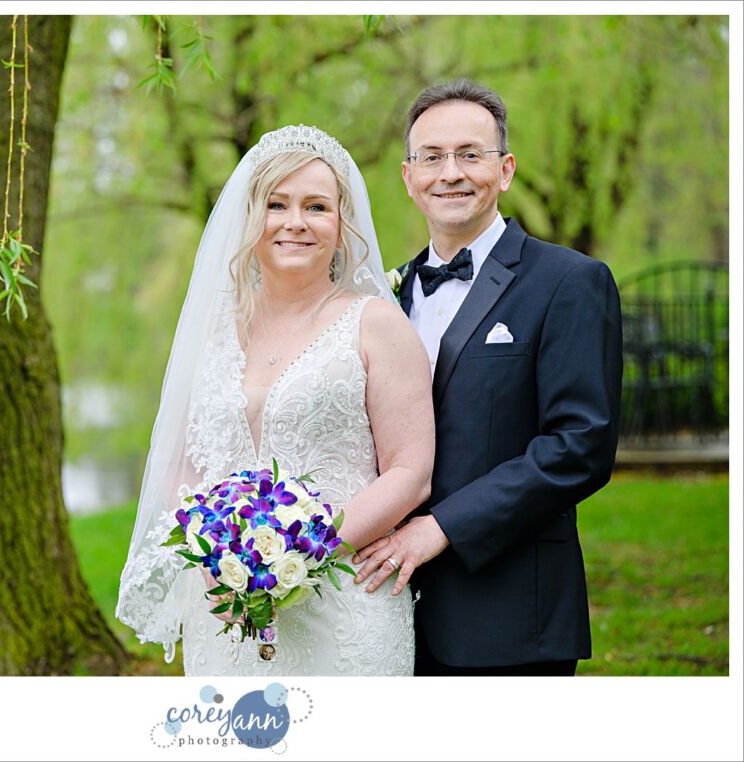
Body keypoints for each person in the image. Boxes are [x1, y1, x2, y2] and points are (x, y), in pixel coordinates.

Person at [116, 125, 435, 676]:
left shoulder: (377, 325)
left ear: (341, 225)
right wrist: (213, 555)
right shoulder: (214, 330)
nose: (295, 222)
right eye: (277, 204)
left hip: (346, 604)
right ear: (250, 218)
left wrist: (307, 552)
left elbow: (410, 471)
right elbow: (186, 464)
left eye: (316, 206)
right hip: (226, 610)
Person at [354, 79, 623, 676]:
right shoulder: (379, 297)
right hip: (382, 614)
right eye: (432, 157)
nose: (450, 172)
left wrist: (444, 528)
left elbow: (579, 446)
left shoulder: (570, 281)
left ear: (504, 171)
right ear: (408, 176)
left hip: (510, 614)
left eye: (469, 155)